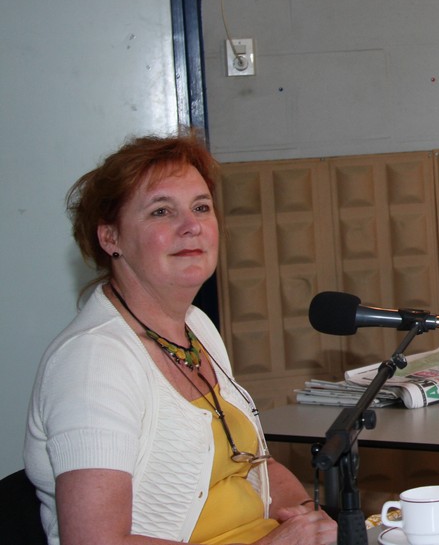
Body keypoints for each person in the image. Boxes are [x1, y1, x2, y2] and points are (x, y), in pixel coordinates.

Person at [25, 132, 337, 545]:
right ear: (110, 238)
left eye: (201, 207)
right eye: (161, 211)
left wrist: (313, 521)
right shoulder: (93, 362)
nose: (192, 227)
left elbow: (255, 465)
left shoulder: (195, 325)